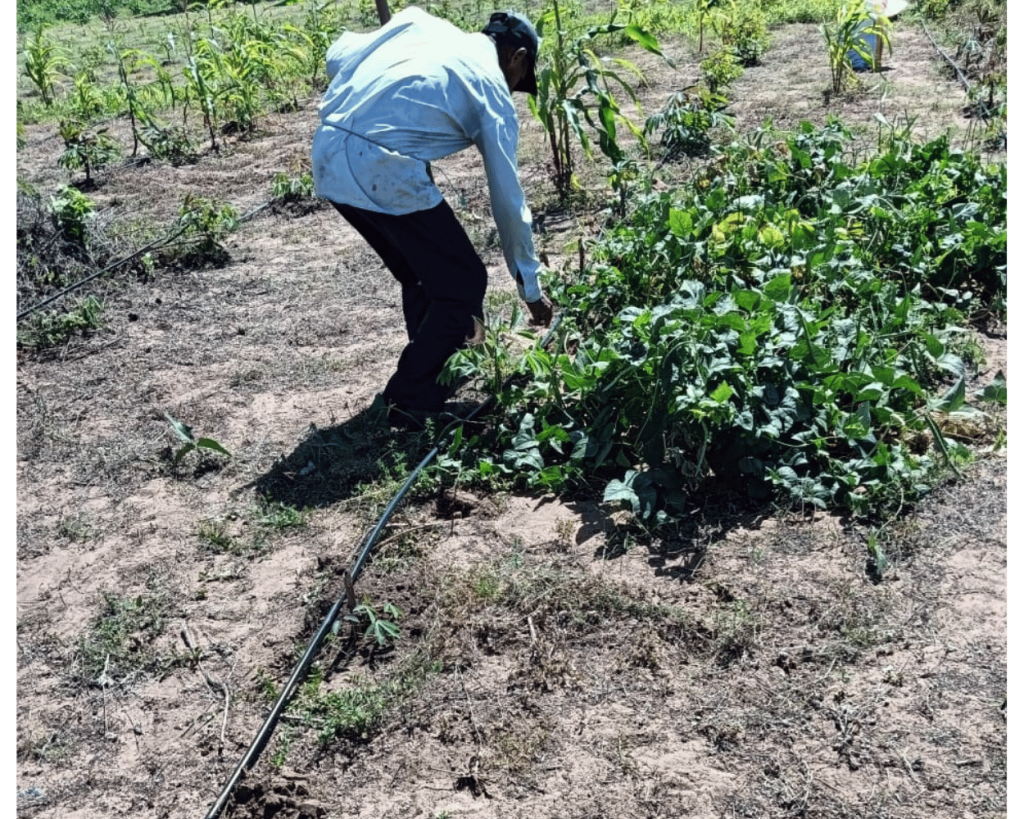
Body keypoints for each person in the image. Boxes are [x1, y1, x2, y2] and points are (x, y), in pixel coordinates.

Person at [311, 7, 554, 428]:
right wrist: (529, 286)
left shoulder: (424, 28)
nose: (515, 88)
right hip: (381, 164)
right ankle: (410, 402)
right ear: (517, 58)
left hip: (327, 153)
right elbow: (507, 199)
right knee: (463, 283)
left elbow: (340, 52)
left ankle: (439, 369)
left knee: (421, 274)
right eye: (521, 78)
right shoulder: (489, 84)